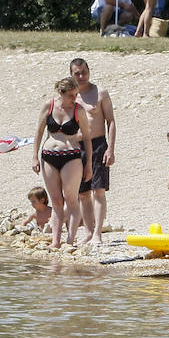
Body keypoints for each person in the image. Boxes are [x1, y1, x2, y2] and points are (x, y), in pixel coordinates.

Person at [32, 78, 88, 249]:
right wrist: (34, 156)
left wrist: (90, 163)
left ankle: (70, 240)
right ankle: (55, 242)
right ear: (61, 93)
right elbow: (39, 132)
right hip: (49, 155)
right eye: (71, 95)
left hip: (71, 155)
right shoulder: (49, 106)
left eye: (76, 94)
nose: (74, 98)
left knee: (71, 199)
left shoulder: (79, 110)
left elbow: (87, 138)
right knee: (56, 201)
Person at [71, 58, 117, 245]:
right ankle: (88, 232)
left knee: (98, 190)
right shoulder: (71, 96)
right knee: (82, 193)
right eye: (77, 73)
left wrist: (111, 149)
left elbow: (111, 121)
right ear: (71, 74)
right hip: (77, 147)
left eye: (84, 72)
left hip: (98, 145)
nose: (81, 76)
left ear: (89, 72)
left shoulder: (100, 93)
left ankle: (98, 233)